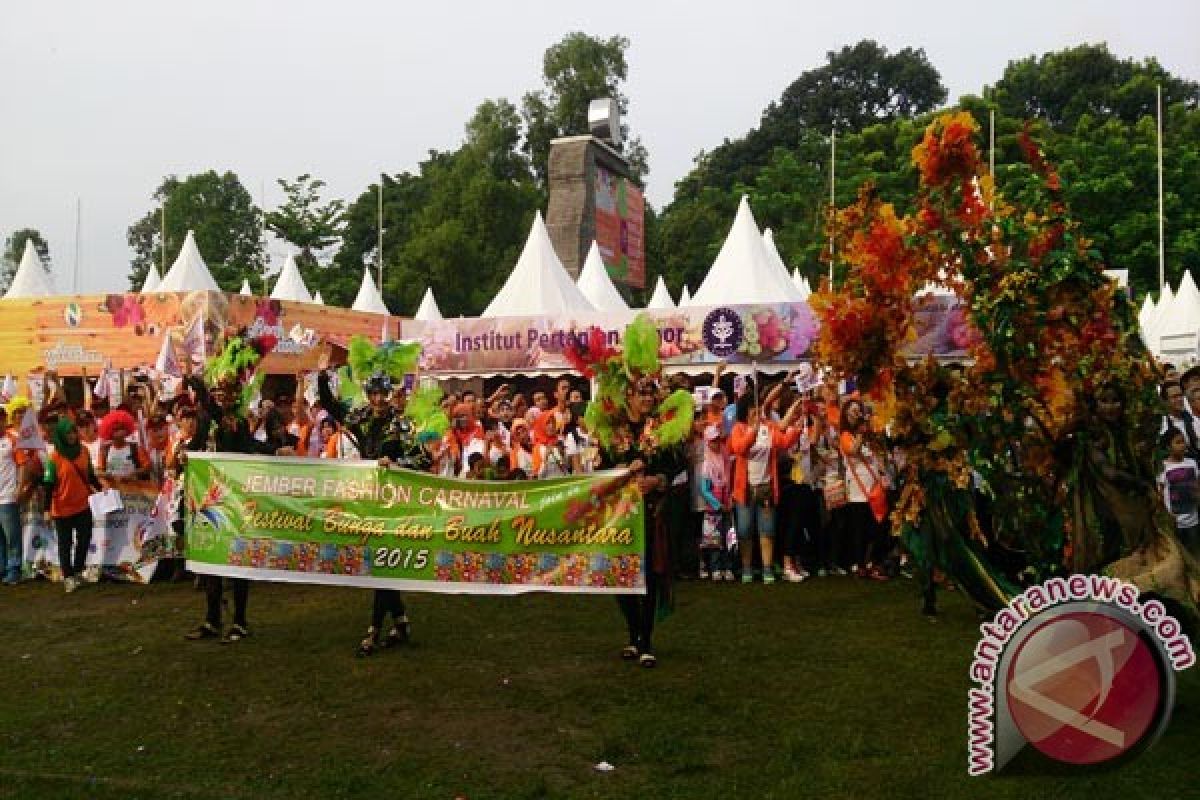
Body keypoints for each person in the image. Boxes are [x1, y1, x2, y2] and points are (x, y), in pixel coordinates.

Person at [317, 336, 438, 657]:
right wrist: (321, 374)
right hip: (368, 500)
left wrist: (397, 462)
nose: (378, 399)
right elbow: (330, 406)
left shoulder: (401, 425)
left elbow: (424, 459)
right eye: (373, 393)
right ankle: (400, 622)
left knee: (384, 564)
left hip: (394, 503)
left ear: (391, 394)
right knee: (382, 565)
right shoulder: (360, 418)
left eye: (383, 393)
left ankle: (373, 631)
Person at [185, 331, 284, 643]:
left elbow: (249, 445)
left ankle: (239, 621)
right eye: (219, 392)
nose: (223, 398)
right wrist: (184, 454)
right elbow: (199, 444)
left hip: (235, 498)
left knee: (238, 560)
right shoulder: (205, 419)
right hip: (207, 498)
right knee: (210, 561)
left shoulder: (236, 422)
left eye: (229, 393)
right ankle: (212, 620)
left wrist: (275, 451)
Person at [728, 385, 803, 584]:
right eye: (753, 408)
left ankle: (767, 568)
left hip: (766, 487)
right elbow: (739, 448)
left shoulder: (768, 427)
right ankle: (746, 568)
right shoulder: (739, 429)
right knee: (745, 530)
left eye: (758, 407)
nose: (757, 411)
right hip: (744, 489)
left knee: (767, 529)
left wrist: (796, 427)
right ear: (745, 410)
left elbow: (783, 442)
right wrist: (752, 432)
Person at [43, 417, 103, 593]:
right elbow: (48, 484)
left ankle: (77, 570)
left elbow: (90, 475)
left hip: (83, 505)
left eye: (73, 432)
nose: (71, 436)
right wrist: (46, 509)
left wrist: (101, 490)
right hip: (61, 508)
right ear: (61, 435)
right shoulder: (54, 458)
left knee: (84, 539)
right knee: (65, 543)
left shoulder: (83, 451)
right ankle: (68, 577)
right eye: (68, 433)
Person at [839, 398, 889, 580]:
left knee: (877, 526)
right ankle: (859, 563)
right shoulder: (845, 435)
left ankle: (874, 561)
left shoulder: (870, 436)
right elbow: (852, 450)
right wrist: (860, 433)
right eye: (852, 411)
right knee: (859, 527)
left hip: (874, 486)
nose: (856, 413)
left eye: (858, 410)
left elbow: (878, 455)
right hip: (858, 489)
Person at [1158, 428, 1200, 560]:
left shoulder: (1192, 463)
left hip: (1193, 520)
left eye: (1183, 441)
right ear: (1168, 447)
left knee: (1195, 553)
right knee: (1180, 557)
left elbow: (1197, 486)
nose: (1183, 445)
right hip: (1175, 522)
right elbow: (1160, 493)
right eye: (1178, 442)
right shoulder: (1162, 467)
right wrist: (1167, 515)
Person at [698, 425, 732, 581]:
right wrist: (718, 504)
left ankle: (727, 566)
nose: (716, 444)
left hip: (726, 501)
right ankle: (716, 567)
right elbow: (704, 490)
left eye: (718, 440)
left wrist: (729, 500)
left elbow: (728, 482)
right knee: (714, 539)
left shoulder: (724, 459)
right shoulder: (706, 464)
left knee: (728, 536)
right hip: (714, 507)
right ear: (707, 442)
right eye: (713, 441)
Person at [0, 407, 24, 584]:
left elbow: (22, 464)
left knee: (12, 536)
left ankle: (14, 569)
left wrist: (19, 488)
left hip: (7, 496)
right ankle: (2, 568)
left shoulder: (13, 440)